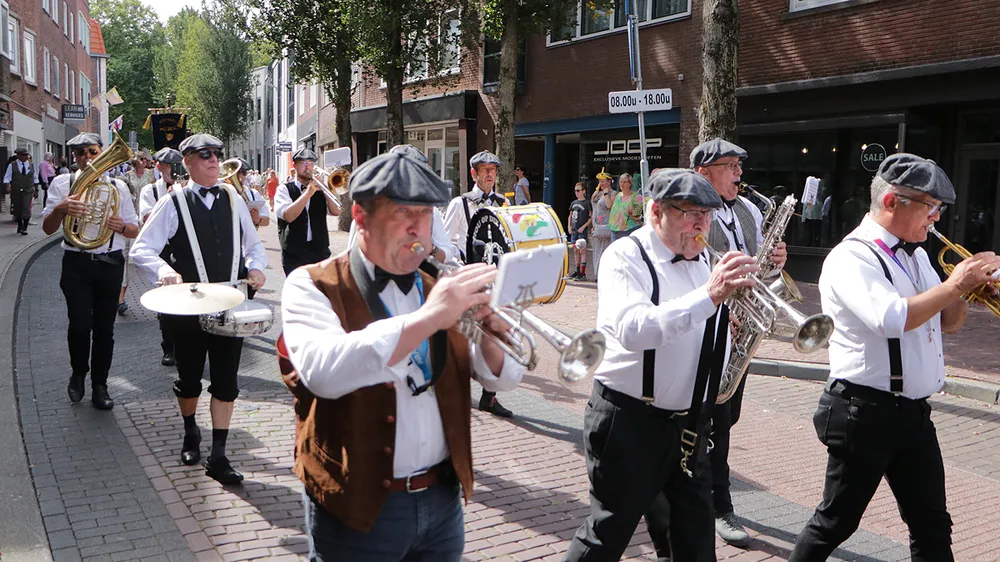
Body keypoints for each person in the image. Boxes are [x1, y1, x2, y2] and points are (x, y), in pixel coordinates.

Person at [278, 150, 524, 560]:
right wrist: (430, 317)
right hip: (356, 507)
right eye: (402, 213)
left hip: (442, 502)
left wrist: (492, 335)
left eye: (425, 214)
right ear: (361, 217)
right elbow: (323, 373)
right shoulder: (312, 284)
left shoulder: (438, 285)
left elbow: (503, 377)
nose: (418, 228)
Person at [789, 154, 999, 561]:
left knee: (932, 526)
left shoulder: (917, 255)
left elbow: (948, 323)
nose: (936, 219)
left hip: (912, 415)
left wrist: (968, 293)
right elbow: (893, 319)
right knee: (835, 522)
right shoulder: (852, 257)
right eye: (931, 207)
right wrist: (956, 284)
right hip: (863, 412)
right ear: (891, 202)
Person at [563, 169, 756, 562]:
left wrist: (723, 324)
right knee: (607, 535)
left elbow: (694, 317)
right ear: (656, 212)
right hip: (630, 423)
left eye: (707, 215)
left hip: (688, 426)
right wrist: (710, 296)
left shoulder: (703, 260)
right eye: (690, 213)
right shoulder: (625, 257)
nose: (701, 225)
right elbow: (635, 330)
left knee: (695, 546)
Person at [130, 133, 268, 484]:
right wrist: (163, 270)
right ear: (188, 162)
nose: (214, 160)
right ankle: (191, 431)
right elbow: (141, 249)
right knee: (189, 380)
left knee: (226, 383)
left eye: (217, 154)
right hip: (187, 308)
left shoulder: (234, 199)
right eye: (205, 154)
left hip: (231, 304)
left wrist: (256, 268)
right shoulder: (172, 202)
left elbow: (254, 246)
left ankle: (218, 455)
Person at [689, 137, 788, 548]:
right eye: (730, 166)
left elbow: (760, 264)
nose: (739, 174)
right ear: (704, 173)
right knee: (710, 420)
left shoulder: (748, 208)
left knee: (725, 417)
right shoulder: (691, 213)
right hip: (708, 325)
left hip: (741, 327)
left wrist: (777, 261)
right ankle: (719, 506)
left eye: (739, 166)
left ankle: (690, 484)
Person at [41, 133, 140, 410]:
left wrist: (121, 226)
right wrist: (61, 209)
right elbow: (48, 228)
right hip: (77, 263)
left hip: (110, 263)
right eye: (80, 153)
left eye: (93, 151)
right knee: (79, 325)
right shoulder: (63, 183)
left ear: (102, 152)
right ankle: (78, 373)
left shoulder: (118, 187)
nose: (87, 157)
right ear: (74, 157)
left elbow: (134, 229)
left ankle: (100, 385)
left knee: (105, 329)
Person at [443, 150, 515, 418]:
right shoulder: (459, 203)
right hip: (468, 279)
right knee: (463, 336)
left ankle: (489, 396)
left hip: (494, 280)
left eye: (493, 170)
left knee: (493, 335)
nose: (489, 174)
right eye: (484, 169)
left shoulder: (502, 203)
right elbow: (445, 242)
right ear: (473, 173)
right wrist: (461, 263)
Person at [347, 144, 460, 265]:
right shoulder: (371, 209)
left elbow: (447, 251)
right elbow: (351, 254)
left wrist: (430, 248)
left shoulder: (430, 211)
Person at [138, 147, 185, 367]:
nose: (170, 170)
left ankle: (186, 346)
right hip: (161, 250)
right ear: (158, 167)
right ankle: (169, 347)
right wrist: (169, 198)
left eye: (173, 166)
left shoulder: (186, 189)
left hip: (181, 248)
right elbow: (147, 218)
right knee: (166, 300)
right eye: (166, 166)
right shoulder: (150, 190)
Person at [274, 148, 342, 275]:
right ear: (294, 165)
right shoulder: (284, 189)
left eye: (311, 163)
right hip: (294, 254)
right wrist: (308, 193)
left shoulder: (320, 189)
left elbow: (337, 211)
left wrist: (326, 189)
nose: (308, 167)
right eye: (303, 163)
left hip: (319, 251)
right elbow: (288, 216)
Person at [4, 148, 40, 234]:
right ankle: (20, 225)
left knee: (26, 208)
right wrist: (7, 186)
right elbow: (7, 177)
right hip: (16, 190)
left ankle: (25, 228)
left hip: (28, 189)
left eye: (27, 155)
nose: (26, 157)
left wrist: (36, 190)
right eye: (24, 155)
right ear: (19, 156)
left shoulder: (31, 165)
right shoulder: (12, 165)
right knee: (17, 209)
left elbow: (35, 177)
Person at [232, 158, 270, 229]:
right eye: (237, 172)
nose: (240, 176)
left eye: (244, 173)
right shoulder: (222, 194)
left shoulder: (253, 193)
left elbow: (267, 220)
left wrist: (258, 219)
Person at [590, 169, 614, 279]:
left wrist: (606, 192)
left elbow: (609, 206)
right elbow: (593, 203)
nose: (601, 183)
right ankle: (598, 273)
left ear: (609, 182)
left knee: (606, 250)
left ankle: (606, 274)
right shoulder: (598, 194)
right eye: (600, 181)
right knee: (597, 251)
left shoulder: (613, 193)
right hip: (597, 226)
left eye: (603, 181)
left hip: (605, 226)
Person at [608, 172, 643, 241]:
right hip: (614, 230)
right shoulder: (618, 195)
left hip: (628, 230)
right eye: (620, 182)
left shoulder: (636, 197)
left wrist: (631, 213)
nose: (622, 184)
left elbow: (637, 216)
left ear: (630, 183)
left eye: (624, 182)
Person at [568, 182, 592, 280]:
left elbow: (590, 217)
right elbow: (570, 216)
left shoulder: (587, 203)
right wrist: (569, 226)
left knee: (582, 250)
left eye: (578, 190)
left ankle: (582, 272)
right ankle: (577, 270)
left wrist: (584, 226)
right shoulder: (573, 203)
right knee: (575, 250)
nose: (576, 193)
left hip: (582, 230)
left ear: (583, 191)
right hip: (574, 230)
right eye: (575, 191)